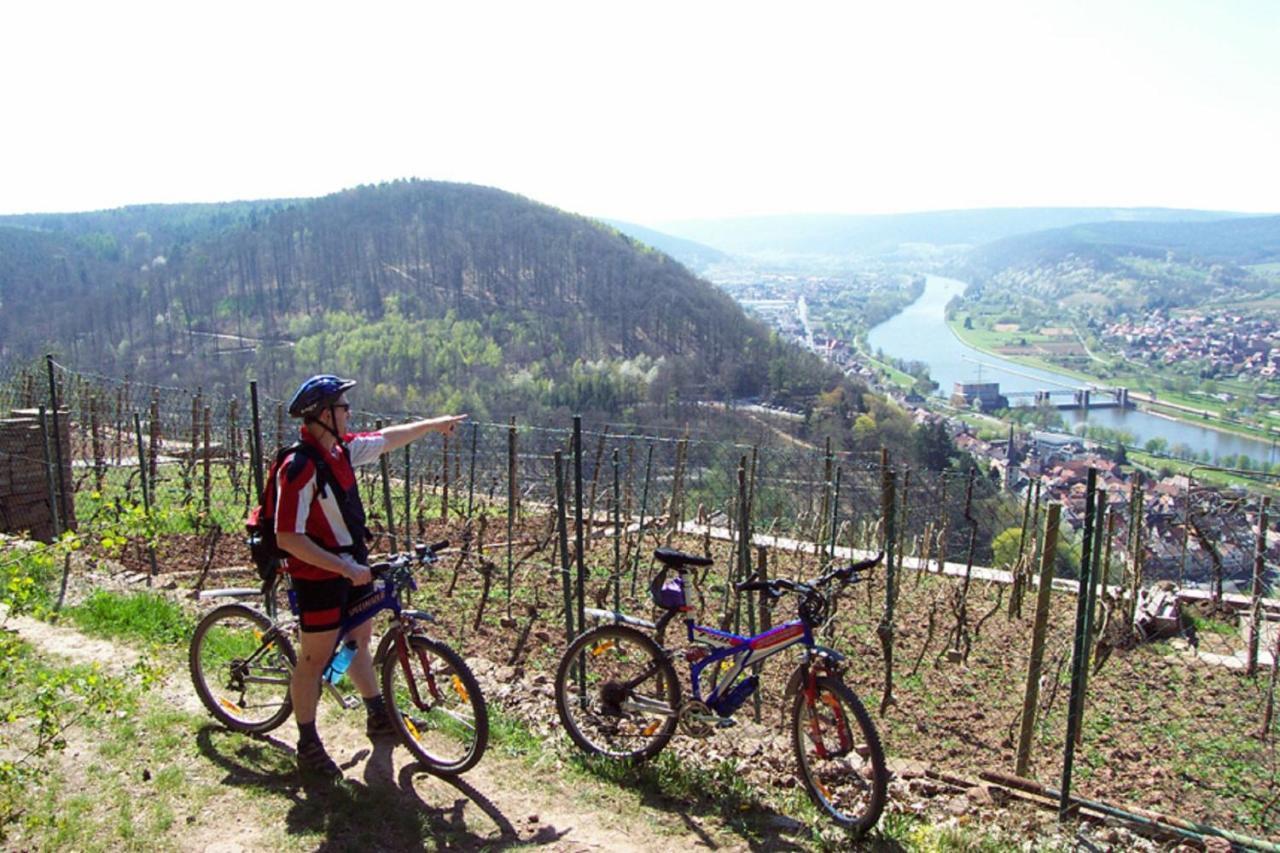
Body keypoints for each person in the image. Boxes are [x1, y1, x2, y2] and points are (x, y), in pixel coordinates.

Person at [275, 374, 465, 778]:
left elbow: (388, 437)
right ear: (324, 415)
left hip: (350, 567)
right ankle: (307, 743)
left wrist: (433, 424)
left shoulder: (341, 451)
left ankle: (377, 714)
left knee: (359, 639)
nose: (348, 412)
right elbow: (287, 537)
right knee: (313, 658)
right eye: (342, 407)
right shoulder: (299, 468)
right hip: (318, 577)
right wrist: (342, 567)